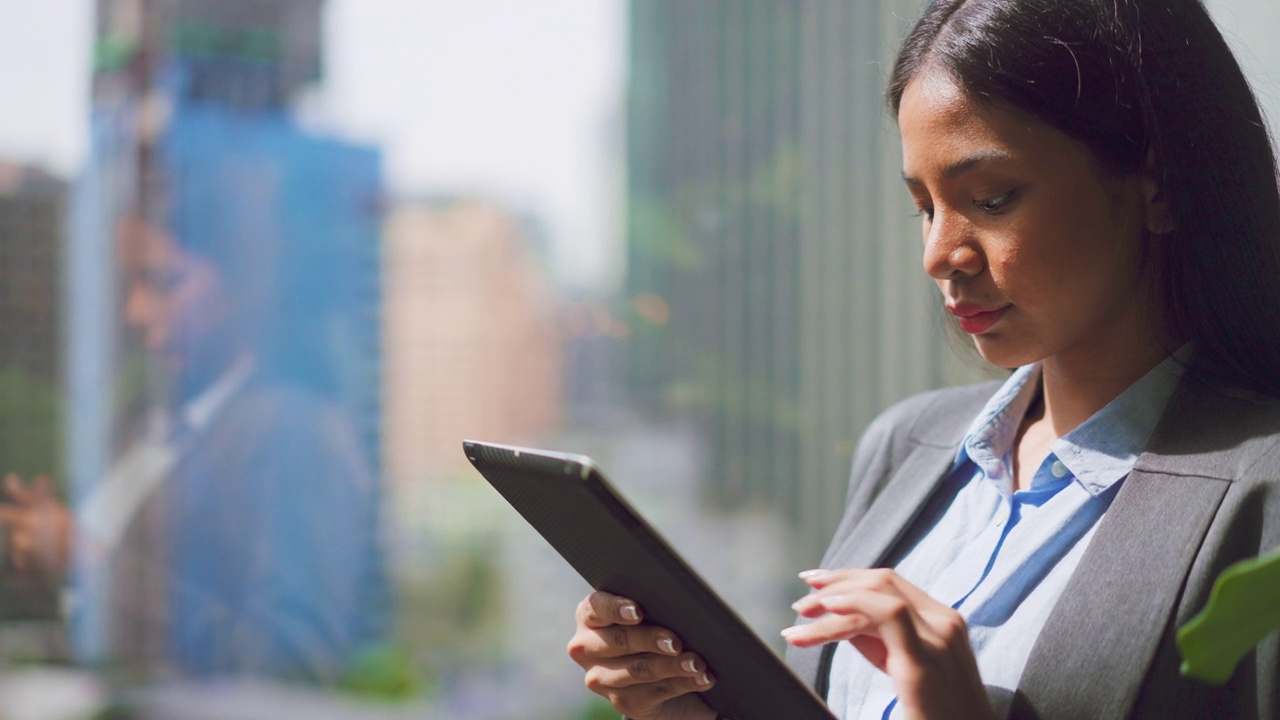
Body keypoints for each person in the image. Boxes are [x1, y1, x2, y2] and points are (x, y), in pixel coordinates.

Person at [566, 0, 1280, 718]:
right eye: (925, 207)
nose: (940, 254)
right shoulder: (906, 447)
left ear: (1155, 180)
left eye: (992, 199)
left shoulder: (1262, 493)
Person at [0, 209, 389, 683]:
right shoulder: (140, 421)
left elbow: (294, 663)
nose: (136, 312)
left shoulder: (293, 431)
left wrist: (87, 563)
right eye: (127, 286)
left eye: (164, 282)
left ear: (245, 281)